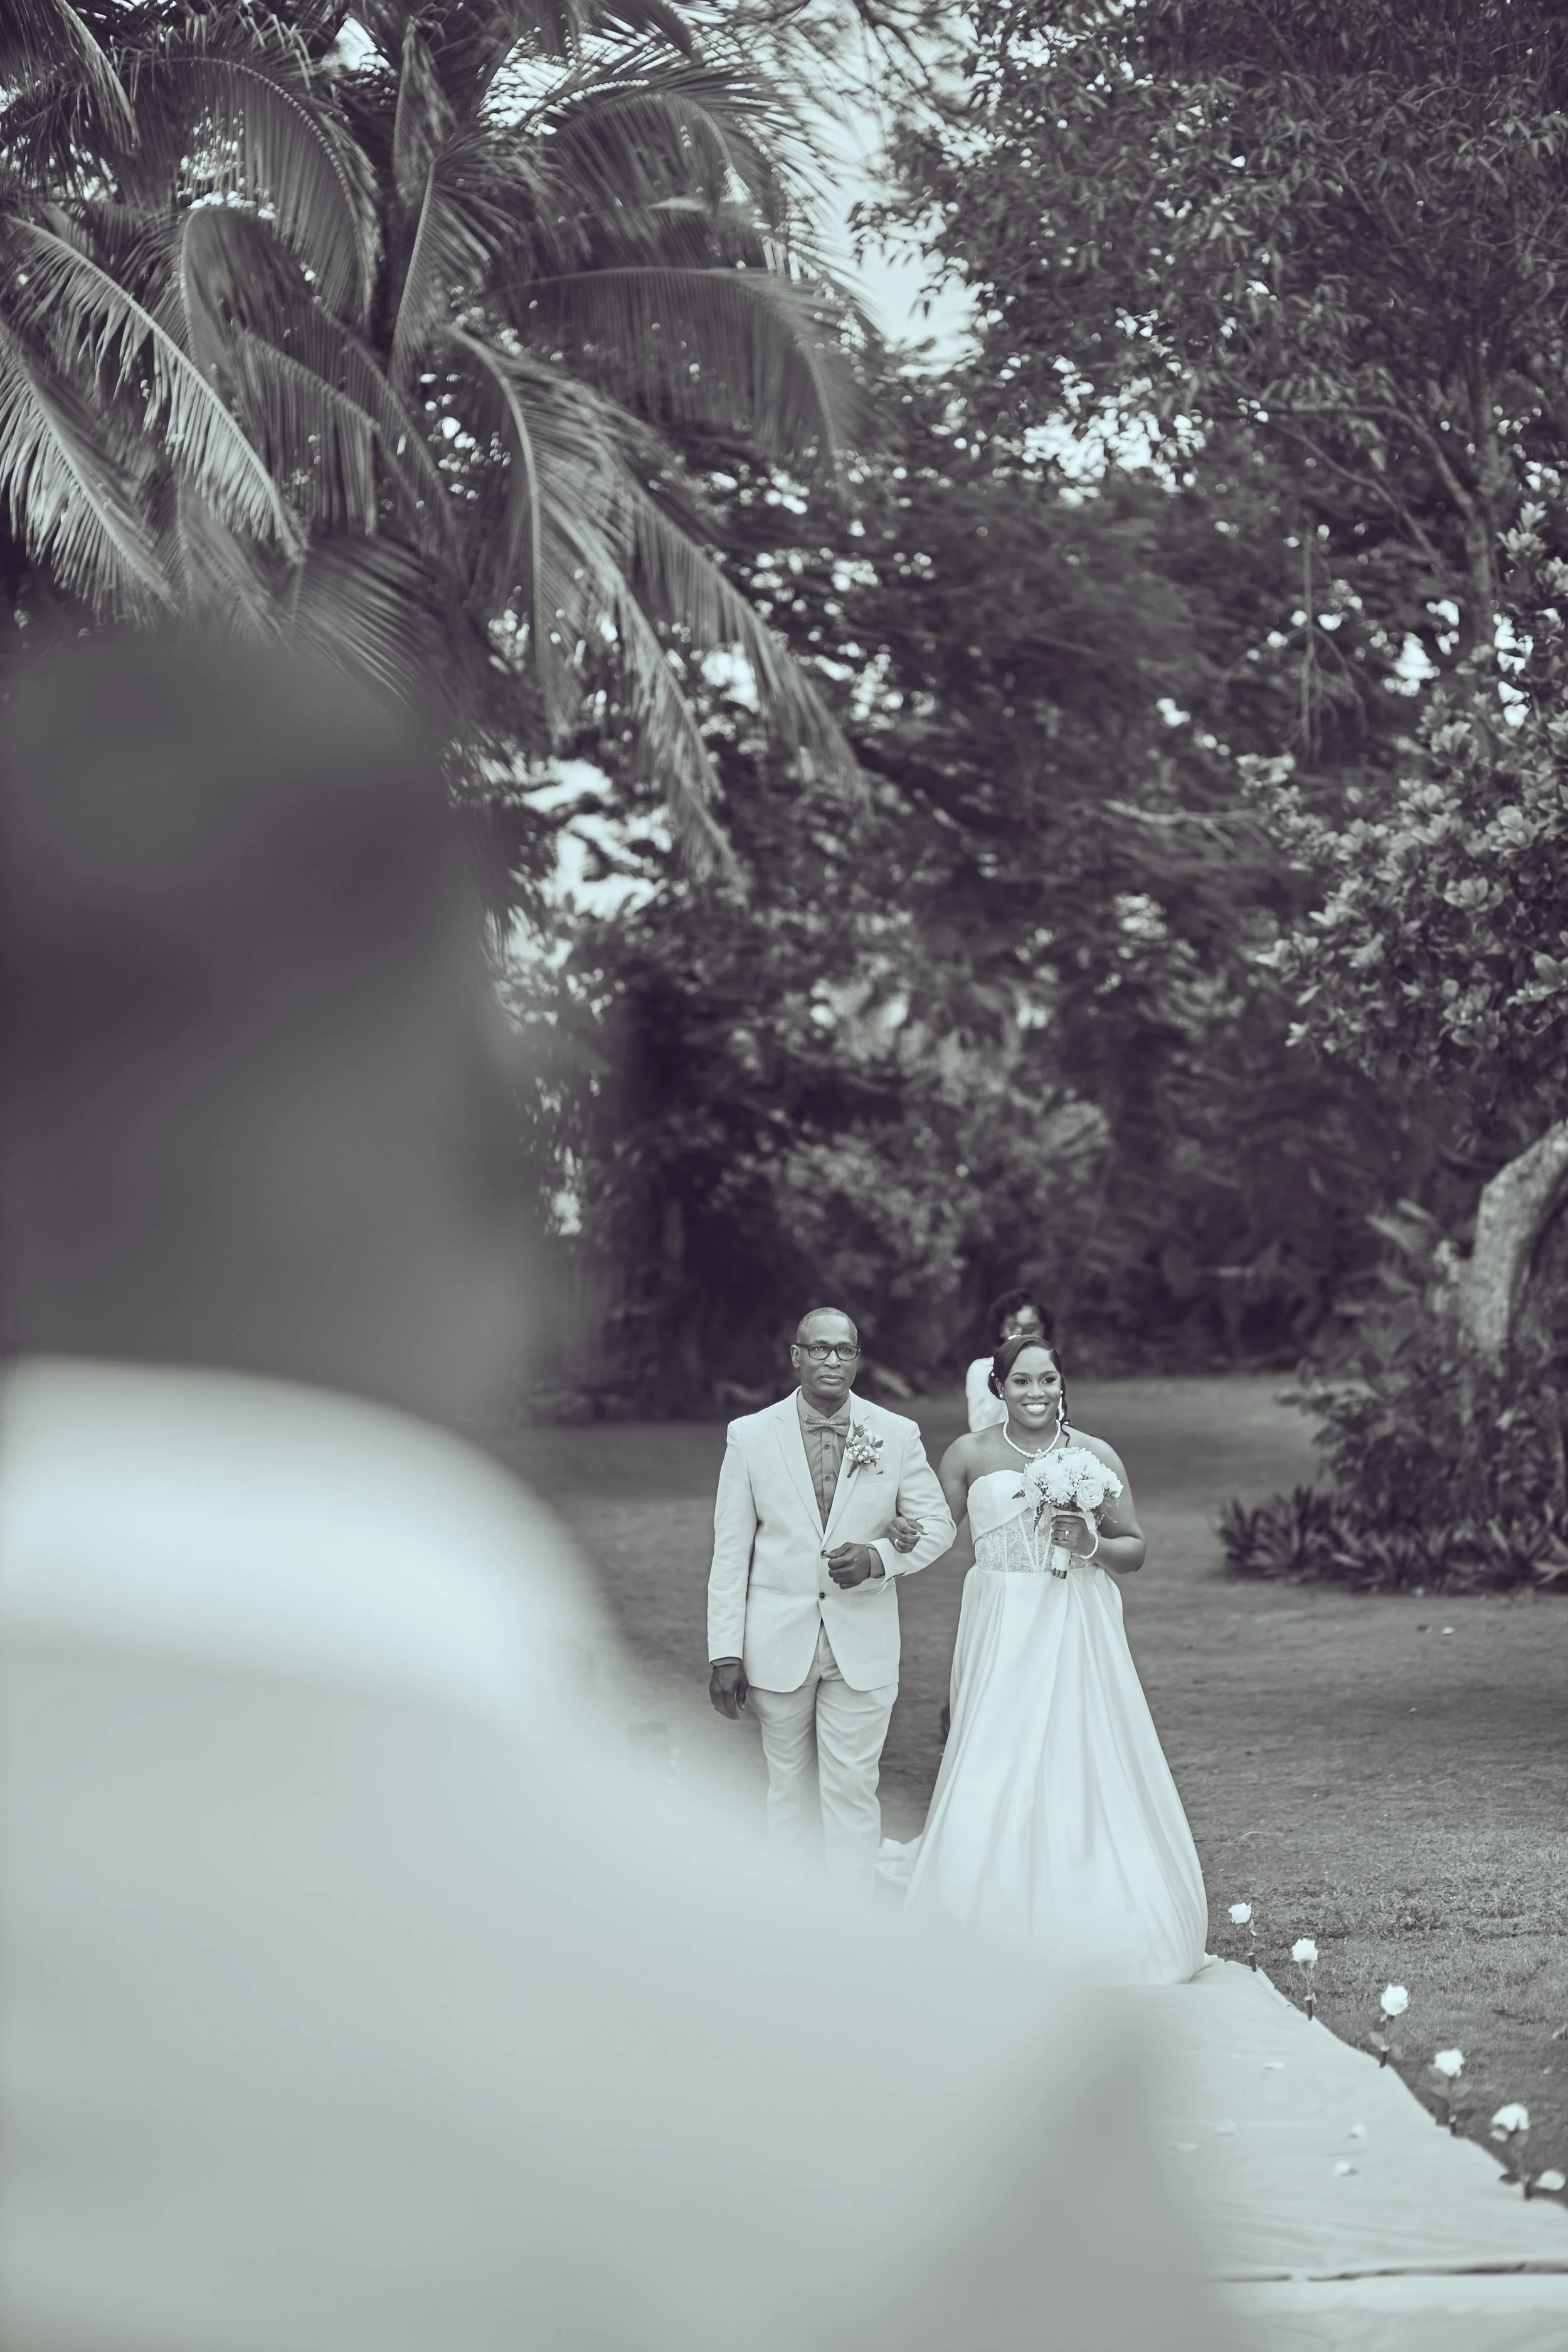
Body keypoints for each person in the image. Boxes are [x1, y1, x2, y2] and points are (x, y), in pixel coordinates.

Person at [0, 630, 1221, 2352]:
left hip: (904, 1633)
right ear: (505, 1173)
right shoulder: (937, 2112)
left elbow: (961, 1524)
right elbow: (743, 1544)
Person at [903, 1333, 1209, 1986]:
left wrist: (1091, 1542)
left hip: (1074, 1622)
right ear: (998, 1387)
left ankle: (1093, 1912)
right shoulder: (967, 1455)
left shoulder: (1093, 1455)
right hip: (1001, 1621)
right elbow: (931, 1534)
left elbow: (1136, 1548)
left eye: (1047, 1381)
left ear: (1062, 1384)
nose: (1035, 1393)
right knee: (992, 1750)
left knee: (1080, 1748)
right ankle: (976, 1919)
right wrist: (889, 1540)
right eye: (1021, 1382)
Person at [707, 1307, 955, 1885]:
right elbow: (730, 1552)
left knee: (852, 1787)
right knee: (788, 1786)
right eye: (818, 1349)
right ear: (796, 1356)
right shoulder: (749, 1435)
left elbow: (938, 1526)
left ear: (858, 1359)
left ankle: (851, 1918)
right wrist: (725, 1653)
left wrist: (879, 1559)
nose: (831, 1360)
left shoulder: (895, 1434)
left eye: (843, 1350)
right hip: (775, 1641)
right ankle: (796, 1918)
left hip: (861, 1641)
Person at [965, 1288, 1049, 1432]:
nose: (1022, 1334)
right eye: (1013, 1326)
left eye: (1031, 1327)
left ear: (1043, 1329)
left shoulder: (1049, 1369)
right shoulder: (981, 1369)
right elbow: (979, 1426)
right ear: (1001, 1329)